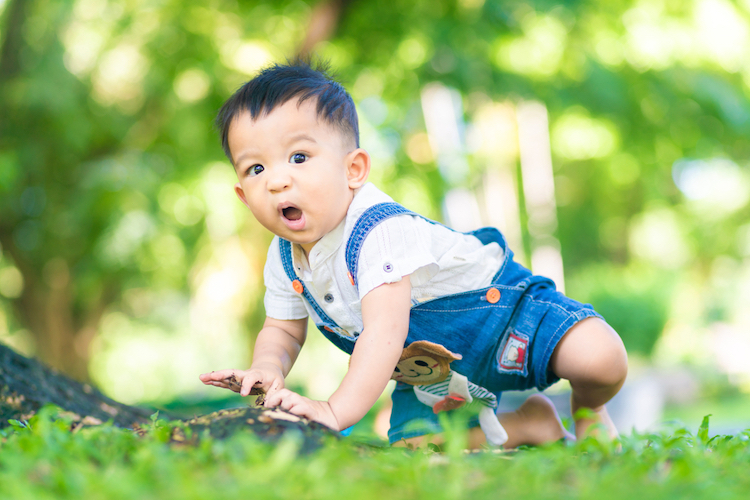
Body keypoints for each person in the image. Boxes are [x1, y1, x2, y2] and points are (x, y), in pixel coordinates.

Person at [199, 60, 628, 449]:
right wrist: (267, 367)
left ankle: (590, 408)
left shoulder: (378, 232)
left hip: (503, 315)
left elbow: (384, 333)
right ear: (242, 195)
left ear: (354, 170)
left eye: (298, 157)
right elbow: (284, 331)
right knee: (414, 447)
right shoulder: (284, 257)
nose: (276, 181)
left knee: (601, 359)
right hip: (429, 364)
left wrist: (334, 411)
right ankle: (531, 424)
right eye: (256, 168)